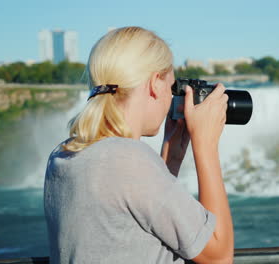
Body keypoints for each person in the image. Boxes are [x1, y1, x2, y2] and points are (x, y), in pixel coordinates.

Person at [44, 26, 234, 264]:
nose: (171, 98)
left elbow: (131, 222)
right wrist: (205, 146)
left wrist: (169, 158)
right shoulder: (129, 160)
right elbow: (219, 256)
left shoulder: (63, 155)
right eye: (171, 87)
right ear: (155, 83)